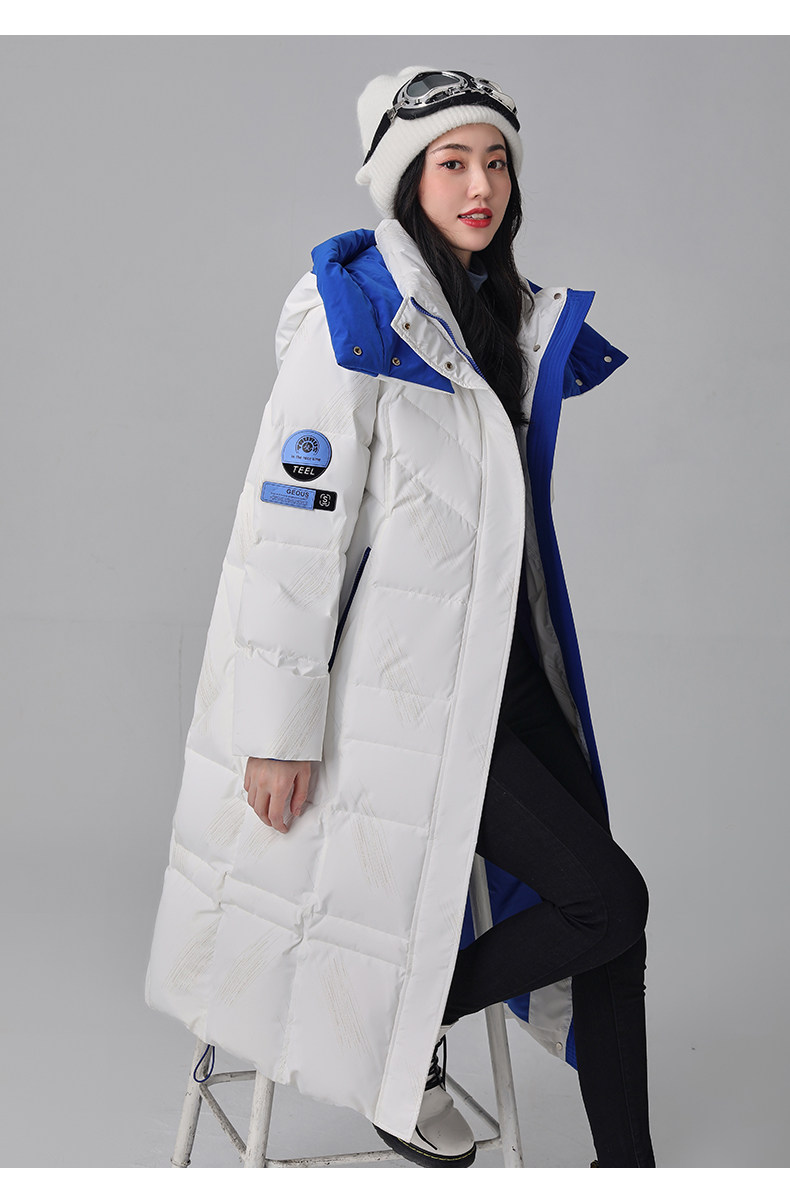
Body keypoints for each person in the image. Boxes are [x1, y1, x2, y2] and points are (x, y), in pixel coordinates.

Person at [145, 66, 656, 1169]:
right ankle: (400, 1030)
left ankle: (630, 1169)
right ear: (403, 179)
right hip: (415, 701)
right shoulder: (355, 318)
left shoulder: (502, 314)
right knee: (607, 900)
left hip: (512, 679)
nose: (481, 186)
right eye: (451, 162)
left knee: (616, 927)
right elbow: (291, 535)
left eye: (496, 161)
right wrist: (279, 730)